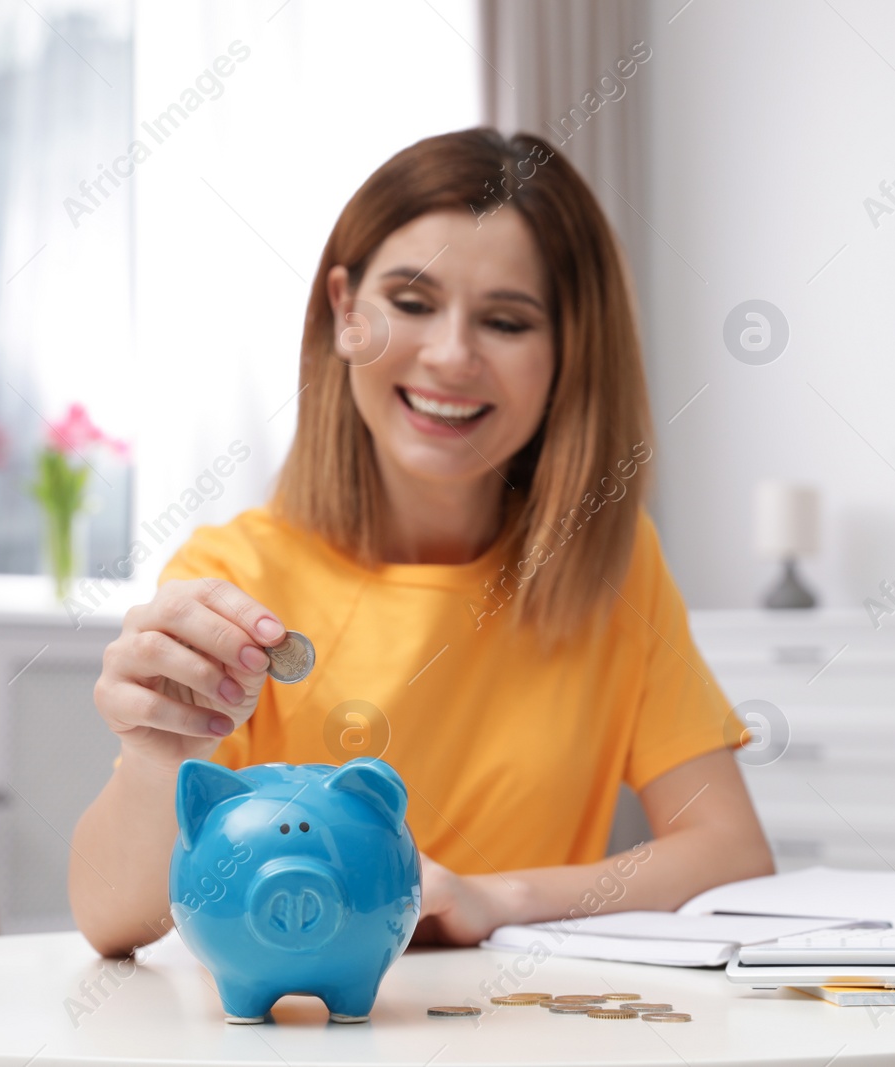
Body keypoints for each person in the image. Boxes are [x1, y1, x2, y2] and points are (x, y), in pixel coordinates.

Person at [69, 128, 774, 958]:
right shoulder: (235, 577)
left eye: (507, 321)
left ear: (569, 355)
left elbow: (730, 852)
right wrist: (155, 761)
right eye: (410, 303)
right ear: (343, 311)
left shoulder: (611, 568)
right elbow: (113, 919)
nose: (450, 356)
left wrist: (493, 898)